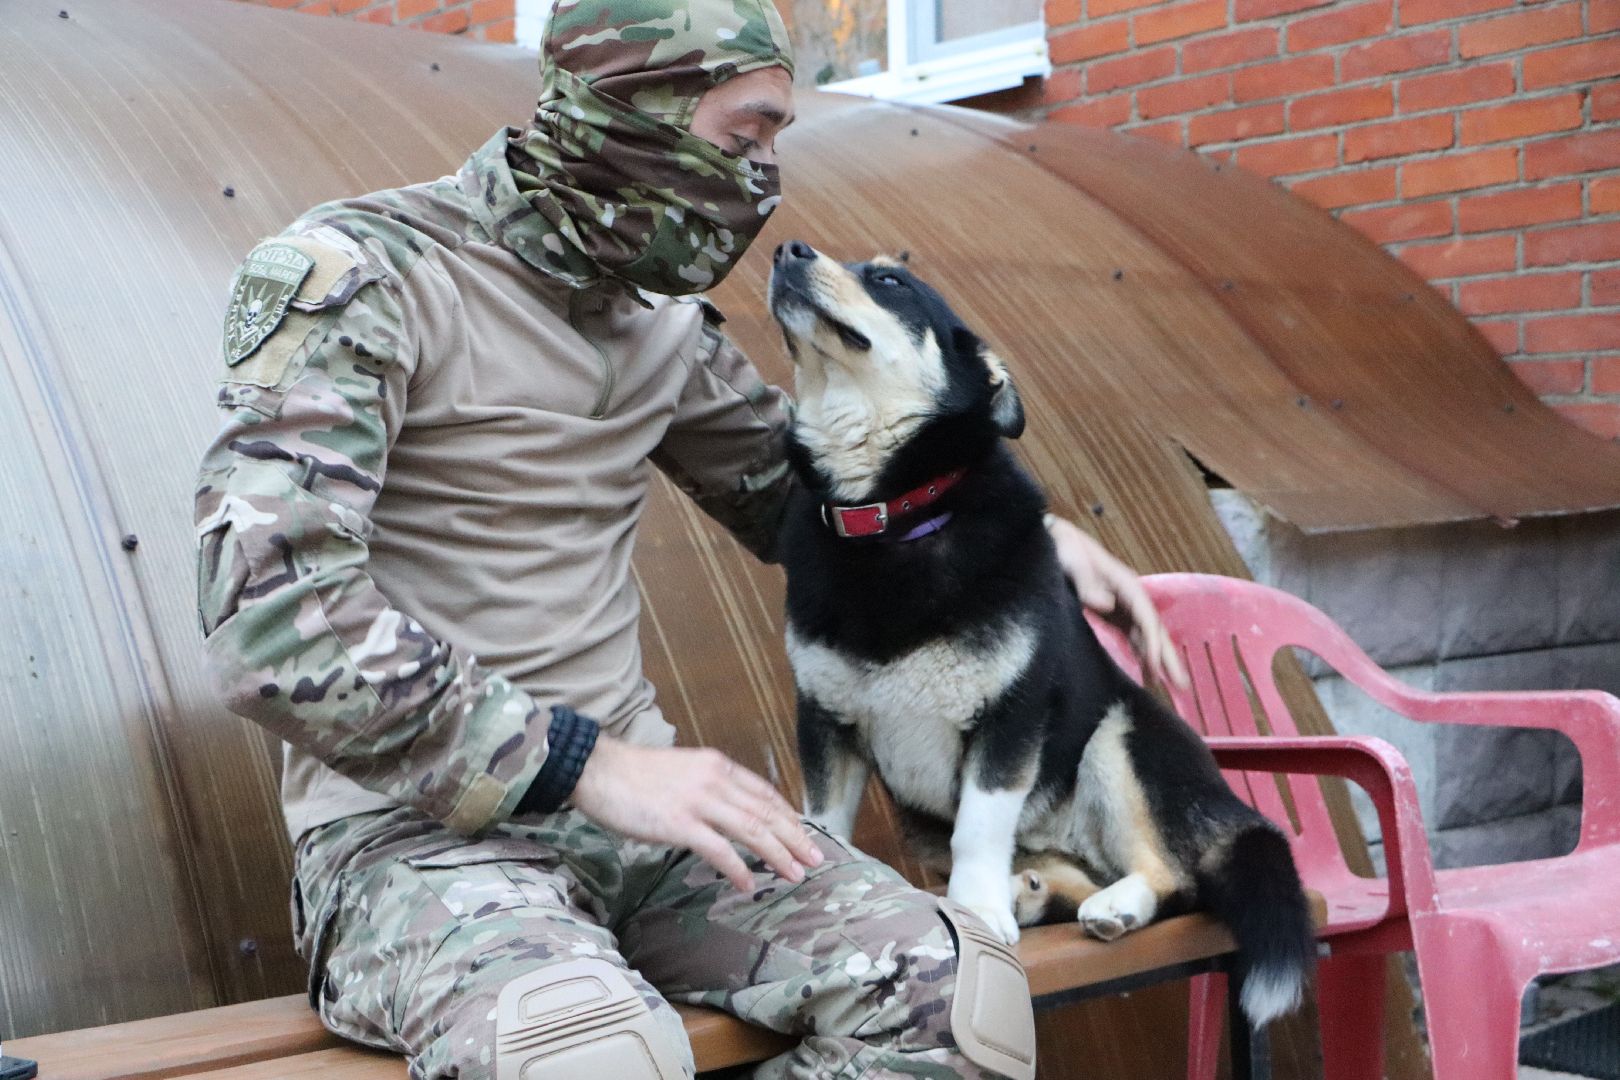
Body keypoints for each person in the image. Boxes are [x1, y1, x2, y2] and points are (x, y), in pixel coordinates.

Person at [194, 1, 1186, 1076]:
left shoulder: (656, 322)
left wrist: (1010, 538)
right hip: (415, 838)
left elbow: (811, 502)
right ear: (629, 113)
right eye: (743, 137)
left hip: (652, 826)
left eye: (775, 145)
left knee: (958, 994)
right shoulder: (369, 278)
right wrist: (581, 763)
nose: (764, 180)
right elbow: (275, 625)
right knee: (586, 1056)